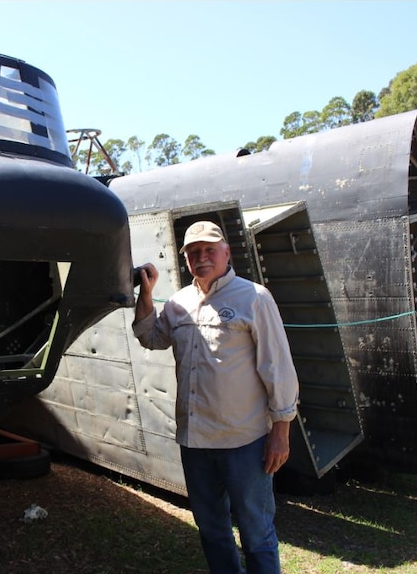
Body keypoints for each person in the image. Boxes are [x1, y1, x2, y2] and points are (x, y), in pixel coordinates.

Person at [132, 220, 299, 574]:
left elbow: (278, 367)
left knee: (256, 532)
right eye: (194, 252)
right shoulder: (178, 303)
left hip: (244, 442)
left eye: (209, 250)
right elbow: (150, 337)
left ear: (226, 253)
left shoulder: (254, 297)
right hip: (195, 442)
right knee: (212, 531)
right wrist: (145, 295)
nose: (202, 257)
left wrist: (281, 432)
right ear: (187, 260)